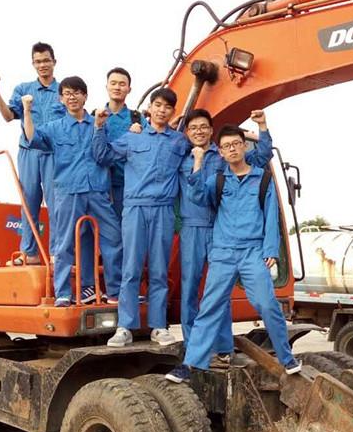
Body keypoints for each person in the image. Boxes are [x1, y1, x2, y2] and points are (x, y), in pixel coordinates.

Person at [166, 125, 302, 382]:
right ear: (221, 152)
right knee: (210, 307)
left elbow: (271, 215)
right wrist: (197, 162)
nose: (232, 149)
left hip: (252, 252)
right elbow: (197, 196)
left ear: (243, 146)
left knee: (266, 304)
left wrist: (270, 249)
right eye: (226, 146)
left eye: (236, 144)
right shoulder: (218, 180)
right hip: (223, 253)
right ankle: (190, 364)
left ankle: (287, 358)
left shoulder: (262, 179)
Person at [93, 88, 189, 346]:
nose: (162, 110)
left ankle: (158, 326)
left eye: (167, 107)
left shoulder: (179, 142)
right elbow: (103, 156)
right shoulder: (132, 137)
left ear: (173, 111)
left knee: (159, 270)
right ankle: (124, 327)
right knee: (131, 268)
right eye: (158, 105)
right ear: (150, 108)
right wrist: (99, 127)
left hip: (164, 210)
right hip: (135, 208)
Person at [178, 108, 273, 362]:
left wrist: (263, 127)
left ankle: (222, 346)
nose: (199, 132)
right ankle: (192, 344)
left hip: (222, 229)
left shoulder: (224, 153)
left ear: (211, 130)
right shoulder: (182, 158)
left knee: (220, 291)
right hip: (192, 227)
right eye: (193, 128)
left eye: (203, 127)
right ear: (187, 133)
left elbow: (262, 155)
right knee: (190, 287)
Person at [21, 76, 122, 307]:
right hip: (68, 192)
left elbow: (106, 153)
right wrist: (27, 111)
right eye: (67, 93)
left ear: (85, 96)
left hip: (97, 191)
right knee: (64, 243)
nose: (72, 97)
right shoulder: (54, 128)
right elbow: (31, 137)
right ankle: (63, 293)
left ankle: (115, 291)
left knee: (113, 238)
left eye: (76, 92)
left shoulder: (99, 122)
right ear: (61, 99)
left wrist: (101, 126)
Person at [0, 42, 66, 263]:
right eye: (38, 61)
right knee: (29, 202)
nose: (42, 65)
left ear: (54, 61)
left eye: (46, 60)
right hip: (29, 153)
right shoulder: (23, 89)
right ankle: (29, 253)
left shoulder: (64, 91)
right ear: (33, 64)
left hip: (54, 153)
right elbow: (8, 116)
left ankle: (56, 253)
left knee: (56, 203)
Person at [96, 67, 147, 218]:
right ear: (106, 86)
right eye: (113, 83)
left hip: (129, 187)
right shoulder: (95, 117)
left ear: (129, 89)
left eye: (122, 84)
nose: (117, 87)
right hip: (100, 187)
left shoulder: (137, 119)